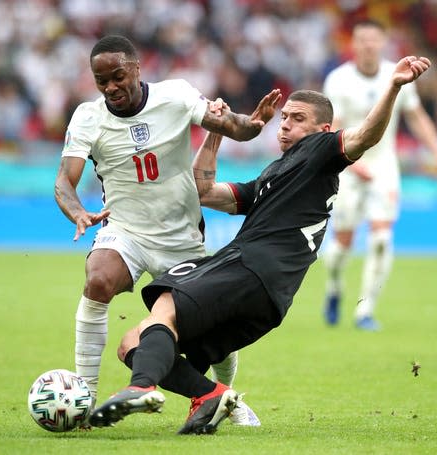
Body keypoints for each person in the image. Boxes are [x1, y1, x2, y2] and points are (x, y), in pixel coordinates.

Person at [87, 55, 434, 435]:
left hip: (251, 266)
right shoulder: (274, 174)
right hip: (268, 298)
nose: (285, 125)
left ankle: (141, 388)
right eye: (284, 117)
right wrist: (216, 132)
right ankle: (210, 395)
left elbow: (365, 136)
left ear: (323, 128)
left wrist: (394, 87)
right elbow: (202, 191)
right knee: (132, 342)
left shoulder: (319, 152)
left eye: (297, 118)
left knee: (166, 302)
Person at [53, 34, 281, 426]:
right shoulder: (87, 117)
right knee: (98, 279)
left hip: (181, 238)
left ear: (137, 69)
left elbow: (230, 124)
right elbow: (64, 181)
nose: (110, 87)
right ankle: (84, 397)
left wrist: (252, 124)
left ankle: (228, 397)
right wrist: (77, 211)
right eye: (101, 80)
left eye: (117, 76)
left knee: (213, 333)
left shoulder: (174, 95)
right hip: (125, 231)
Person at [321, 19, 437, 331]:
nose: (367, 45)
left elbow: (417, 117)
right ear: (353, 44)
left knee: (381, 238)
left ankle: (364, 311)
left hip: (383, 167)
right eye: (361, 39)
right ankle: (334, 288)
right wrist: (352, 163)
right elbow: (334, 129)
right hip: (348, 167)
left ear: (383, 43)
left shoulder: (396, 74)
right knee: (343, 243)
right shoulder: (338, 80)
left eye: (373, 39)